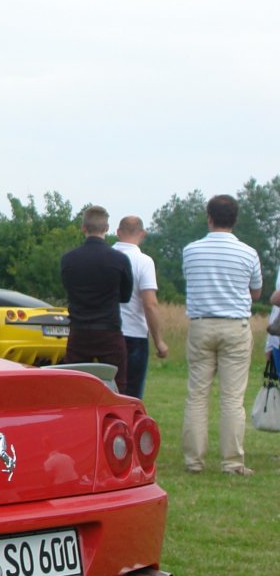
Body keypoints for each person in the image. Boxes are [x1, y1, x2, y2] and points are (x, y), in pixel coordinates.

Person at [181, 194, 262, 476]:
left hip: (201, 325)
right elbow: (256, 292)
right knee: (232, 399)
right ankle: (232, 462)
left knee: (197, 395)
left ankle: (194, 460)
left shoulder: (191, 250)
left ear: (209, 217)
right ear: (235, 219)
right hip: (235, 326)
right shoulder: (249, 253)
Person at [60, 205, 133, 392]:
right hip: (109, 329)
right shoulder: (119, 260)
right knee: (118, 383)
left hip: (79, 330)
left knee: (74, 384)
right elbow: (125, 296)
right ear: (107, 229)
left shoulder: (69, 260)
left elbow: (68, 288)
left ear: (83, 228)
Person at [112, 215, 169, 398]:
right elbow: (150, 303)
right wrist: (158, 340)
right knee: (131, 392)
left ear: (118, 232)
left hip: (108, 331)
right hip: (134, 334)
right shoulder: (144, 261)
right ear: (142, 234)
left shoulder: (107, 257)